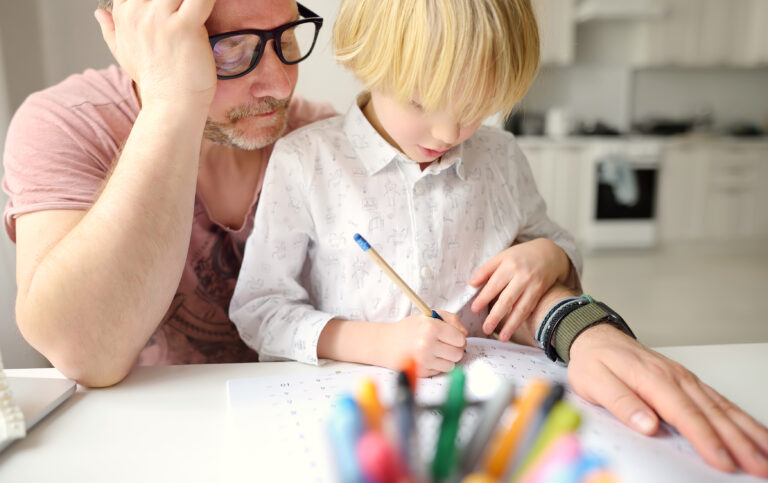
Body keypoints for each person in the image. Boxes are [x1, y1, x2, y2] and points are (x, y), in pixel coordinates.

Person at [229, 0, 768, 477]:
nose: (446, 134)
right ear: (370, 59)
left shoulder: (501, 156)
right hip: (351, 414)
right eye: (421, 103)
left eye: (472, 112)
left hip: (489, 410)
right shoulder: (305, 162)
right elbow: (259, 309)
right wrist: (378, 343)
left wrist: (548, 254)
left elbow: (554, 243)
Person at [2, 0, 335, 387]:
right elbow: (85, 355)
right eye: (230, 50)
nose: (280, 86)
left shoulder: (318, 138)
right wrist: (170, 101)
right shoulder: (69, 124)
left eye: (288, 39)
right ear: (133, 36)